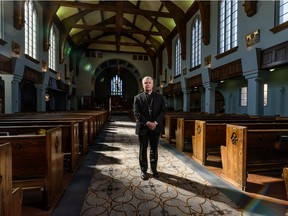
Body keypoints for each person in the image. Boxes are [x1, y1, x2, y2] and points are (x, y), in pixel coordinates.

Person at [133, 76, 166, 180]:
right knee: (143, 149)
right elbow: (136, 113)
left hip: (155, 128)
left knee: (154, 149)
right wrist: (148, 123)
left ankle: (154, 169)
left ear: (152, 84)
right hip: (143, 127)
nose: (147, 84)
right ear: (143, 85)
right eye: (145, 83)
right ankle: (143, 170)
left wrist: (155, 122)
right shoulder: (137, 98)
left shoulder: (160, 97)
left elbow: (163, 111)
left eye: (149, 82)